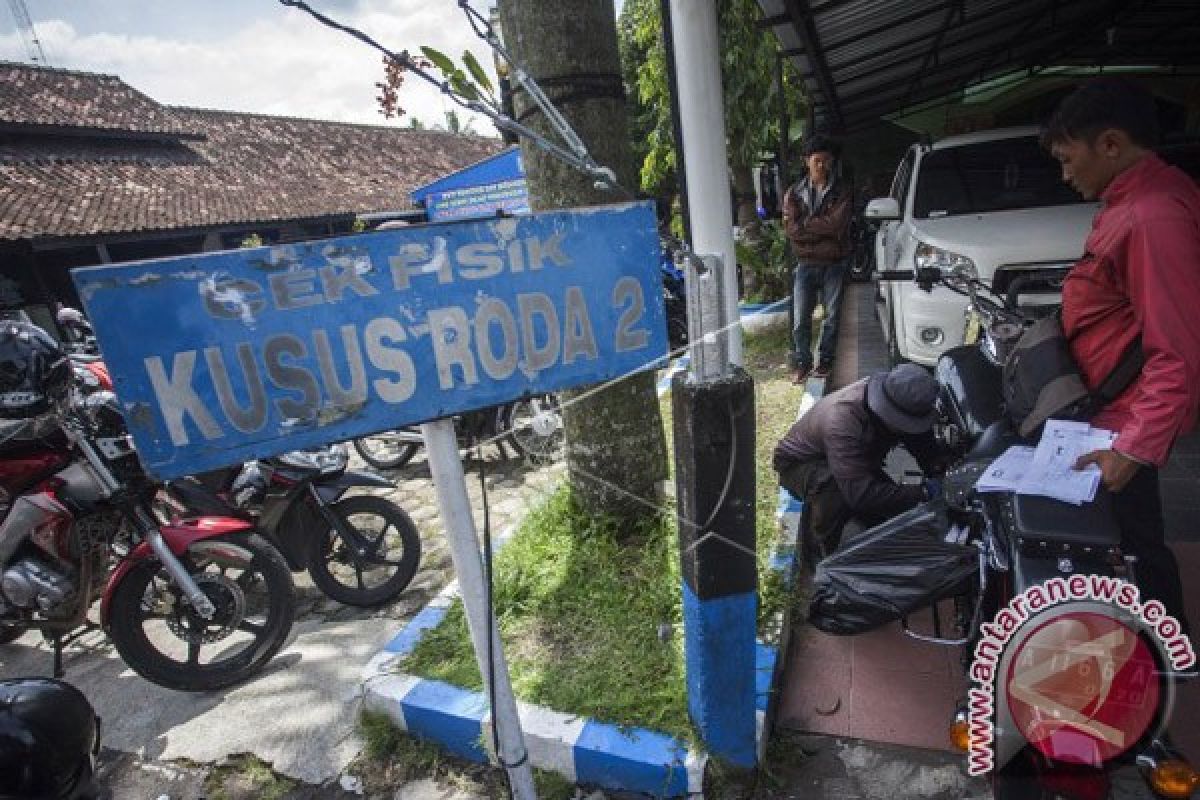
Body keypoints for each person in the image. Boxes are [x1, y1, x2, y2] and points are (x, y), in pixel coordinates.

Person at [1042, 77, 1200, 634]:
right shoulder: (1130, 199)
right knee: (1128, 541)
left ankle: (1166, 667)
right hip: (1105, 408)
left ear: (1110, 144)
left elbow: (1177, 349)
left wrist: (1134, 447)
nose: (1065, 175)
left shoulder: (1155, 217)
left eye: (1068, 159)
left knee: (1135, 546)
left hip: (1122, 421)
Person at [773, 363, 944, 563]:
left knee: (889, 511)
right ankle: (822, 555)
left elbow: (920, 439)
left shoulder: (895, 398)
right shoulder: (843, 421)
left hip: (847, 459)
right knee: (836, 489)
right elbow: (859, 494)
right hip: (799, 465)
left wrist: (938, 467)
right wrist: (922, 492)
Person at [782, 135, 852, 384]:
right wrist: (820, 230)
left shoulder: (841, 190)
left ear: (831, 162)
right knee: (801, 319)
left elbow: (837, 225)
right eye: (817, 160)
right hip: (806, 265)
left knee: (832, 317)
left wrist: (807, 228)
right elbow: (792, 229)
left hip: (834, 263)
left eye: (826, 161)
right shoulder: (794, 193)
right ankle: (803, 363)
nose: (821, 165)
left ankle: (824, 362)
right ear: (807, 162)